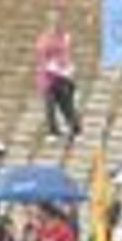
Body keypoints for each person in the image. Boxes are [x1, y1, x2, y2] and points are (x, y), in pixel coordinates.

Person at [37, 10, 81, 142]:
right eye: (53, 22)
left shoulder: (65, 37)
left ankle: (75, 129)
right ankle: (53, 131)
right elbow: (43, 60)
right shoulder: (43, 40)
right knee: (49, 106)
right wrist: (55, 68)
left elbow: (66, 54)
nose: (55, 25)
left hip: (62, 76)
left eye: (57, 22)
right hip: (48, 78)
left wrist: (69, 68)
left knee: (67, 104)